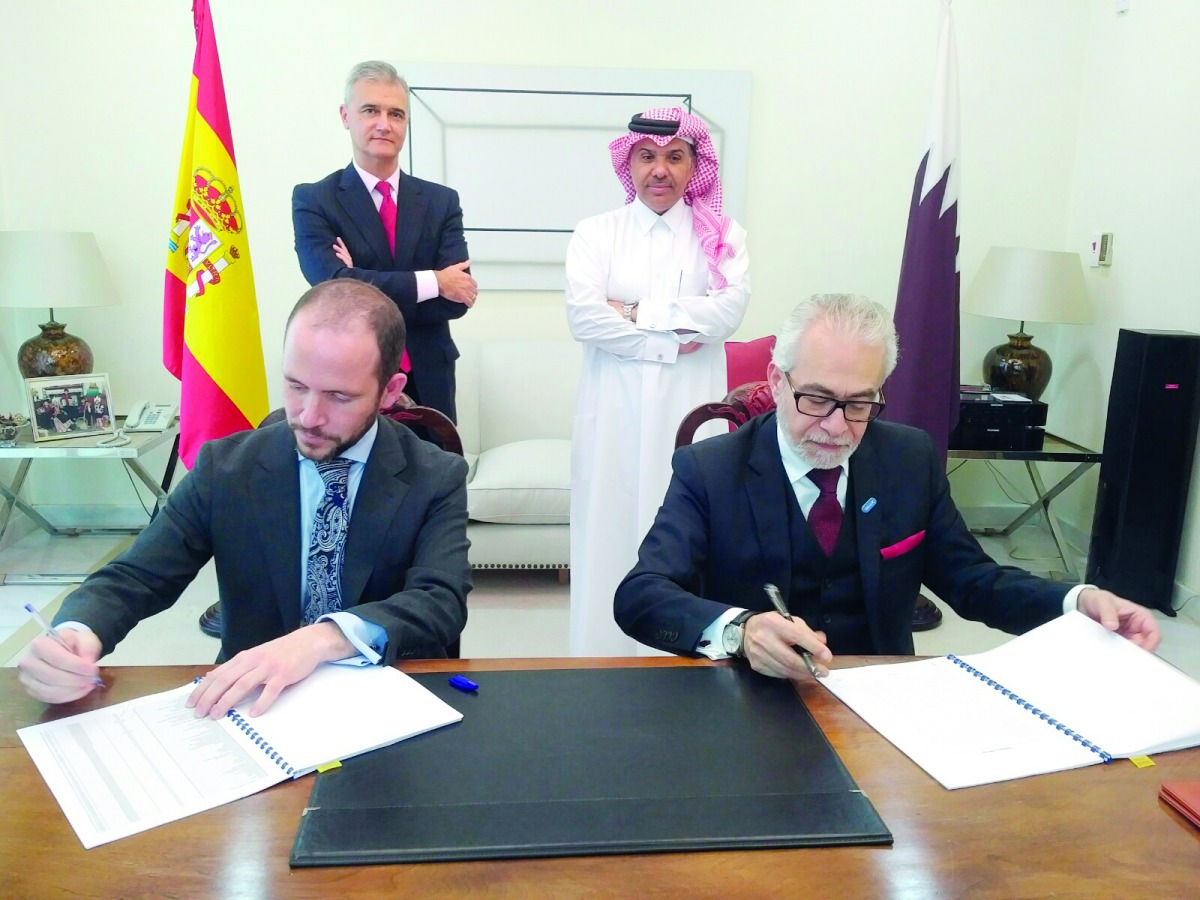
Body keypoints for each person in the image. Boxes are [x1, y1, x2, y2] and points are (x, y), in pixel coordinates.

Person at [614, 293, 1160, 677]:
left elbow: (973, 580)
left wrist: (1075, 600)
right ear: (778, 381)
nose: (835, 426)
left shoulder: (908, 457)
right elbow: (641, 595)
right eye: (817, 399)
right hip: (750, 694)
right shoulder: (709, 469)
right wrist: (740, 631)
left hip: (882, 696)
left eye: (859, 403)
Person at [19, 280, 471, 716]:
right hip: (251, 704)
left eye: (338, 396)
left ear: (389, 390)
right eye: (296, 386)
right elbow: (136, 577)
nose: (309, 417)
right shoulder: (226, 468)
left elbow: (440, 601)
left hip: (384, 696)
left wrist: (321, 639)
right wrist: (77, 632)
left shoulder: (435, 474)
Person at [566, 107, 751, 656]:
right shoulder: (596, 232)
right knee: (609, 530)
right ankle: (599, 656)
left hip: (688, 411)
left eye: (674, 157)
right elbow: (584, 318)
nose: (660, 170)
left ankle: (683, 655)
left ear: (695, 164)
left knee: (688, 528)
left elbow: (728, 313)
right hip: (613, 414)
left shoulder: (722, 235)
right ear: (630, 163)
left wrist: (630, 311)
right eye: (647, 157)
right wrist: (671, 336)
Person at [292, 60, 475, 422]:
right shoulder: (315, 200)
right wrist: (434, 282)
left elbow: (458, 300)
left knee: (434, 477)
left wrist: (357, 277)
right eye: (370, 110)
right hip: (346, 379)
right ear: (346, 116)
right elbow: (331, 288)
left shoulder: (441, 202)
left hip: (428, 378)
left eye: (396, 114)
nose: (384, 124)